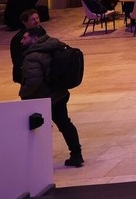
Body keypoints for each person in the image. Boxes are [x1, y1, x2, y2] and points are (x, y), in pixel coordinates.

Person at [19, 25, 84, 167]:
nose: (21, 41)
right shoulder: (56, 45)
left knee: (36, 128)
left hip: (42, 98)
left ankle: (38, 161)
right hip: (60, 93)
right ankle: (76, 154)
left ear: (34, 38)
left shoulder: (32, 57)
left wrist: (23, 93)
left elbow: (34, 82)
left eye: (25, 38)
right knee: (65, 124)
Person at [9, 8, 40, 83]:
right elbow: (17, 59)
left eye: (37, 18)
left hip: (39, 68)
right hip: (27, 72)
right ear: (24, 22)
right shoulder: (18, 38)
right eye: (32, 19)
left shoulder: (40, 31)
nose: (36, 21)